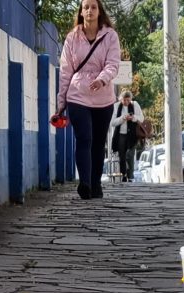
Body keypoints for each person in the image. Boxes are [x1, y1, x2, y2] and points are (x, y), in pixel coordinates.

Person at [56, 0, 121, 199]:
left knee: (98, 141)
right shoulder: (72, 38)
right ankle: (84, 183)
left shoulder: (110, 36)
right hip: (77, 95)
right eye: (86, 7)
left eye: (93, 7)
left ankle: (95, 184)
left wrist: (102, 79)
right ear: (81, 12)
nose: (90, 11)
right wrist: (60, 104)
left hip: (103, 98)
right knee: (84, 138)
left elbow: (113, 63)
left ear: (99, 11)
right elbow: (65, 72)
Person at [109, 90, 144, 182]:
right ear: (121, 99)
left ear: (131, 99)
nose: (126, 102)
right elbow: (113, 122)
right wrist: (123, 118)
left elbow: (141, 118)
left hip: (132, 135)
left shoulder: (135, 105)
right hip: (120, 135)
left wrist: (133, 118)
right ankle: (124, 175)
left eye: (128, 100)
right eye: (124, 100)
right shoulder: (116, 106)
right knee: (122, 156)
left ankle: (131, 175)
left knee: (130, 155)